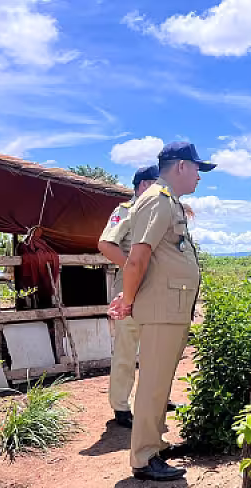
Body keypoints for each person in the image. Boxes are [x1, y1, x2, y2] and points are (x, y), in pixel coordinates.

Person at [108, 142, 215, 481]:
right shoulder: (158, 200)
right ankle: (143, 458)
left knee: (159, 383)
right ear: (181, 166)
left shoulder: (168, 201)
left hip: (170, 308)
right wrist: (127, 299)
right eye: (197, 168)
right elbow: (138, 257)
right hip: (161, 309)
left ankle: (153, 444)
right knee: (154, 384)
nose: (199, 176)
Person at [98, 165, 159, 429]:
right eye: (157, 184)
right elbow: (106, 244)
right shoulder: (126, 211)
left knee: (155, 349)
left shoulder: (156, 212)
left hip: (156, 292)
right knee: (126, 349)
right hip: (129, 292)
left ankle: (156, 399)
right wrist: (132, 267)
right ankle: (121, 407)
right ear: (144, 185)